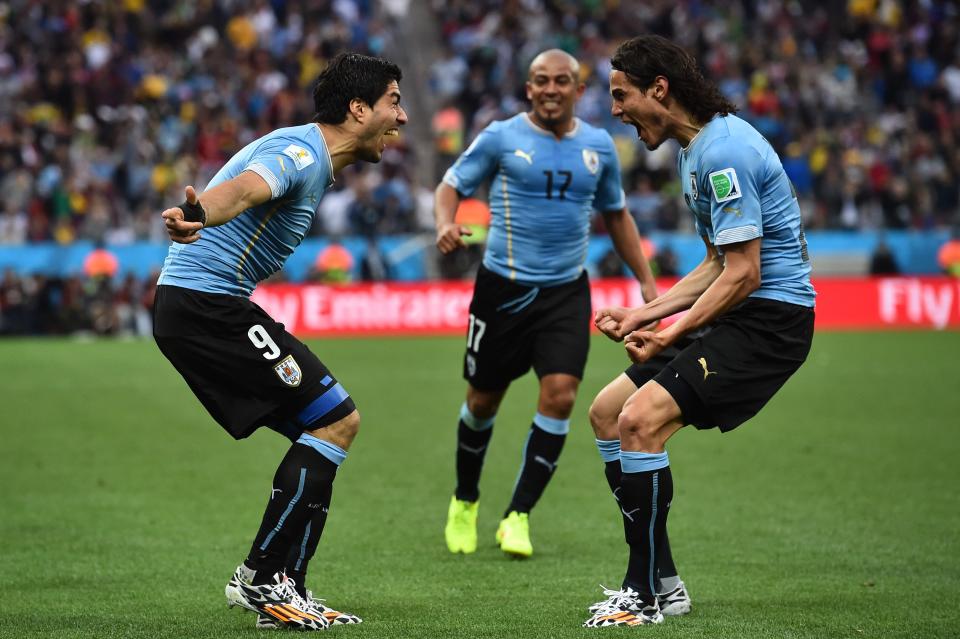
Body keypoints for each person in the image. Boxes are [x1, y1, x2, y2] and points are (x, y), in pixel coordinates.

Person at [152, 53, 407, 631]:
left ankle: (284, 590)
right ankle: (265, 579)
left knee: (327, 431)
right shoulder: (300, 153)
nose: (404, 116)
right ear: (358, 108)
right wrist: (199, 214)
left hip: (202, 306)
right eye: (393, 100)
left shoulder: (312, 155)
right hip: (205, 307)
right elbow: (242, 192)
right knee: (335, 421)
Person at [582, 35, 816, 627]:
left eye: (621, 96)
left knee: (640, 420)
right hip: (741, 308)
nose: (615, 111)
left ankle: (643, 595)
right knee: (609, 412)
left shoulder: (724, 152)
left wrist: (669, 332)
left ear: (660, 88)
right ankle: (661, 579)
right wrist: (644, 314)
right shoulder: (695, 150)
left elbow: (744, 274)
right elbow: (717, 261)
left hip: (771, 320)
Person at [435, 49, 658, 559]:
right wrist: (444, 223)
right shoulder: (502, 137)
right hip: (503, 291)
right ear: (529, 89)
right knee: (482, 402)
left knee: (560, 395)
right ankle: (465, 500)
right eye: (541, 81)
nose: (552, 89)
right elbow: (450, 187)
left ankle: (518, 516)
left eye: (563, 81)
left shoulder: (599, 146)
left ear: (580, 91)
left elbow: (617, 217)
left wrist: (647, 284)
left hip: (565, 292)